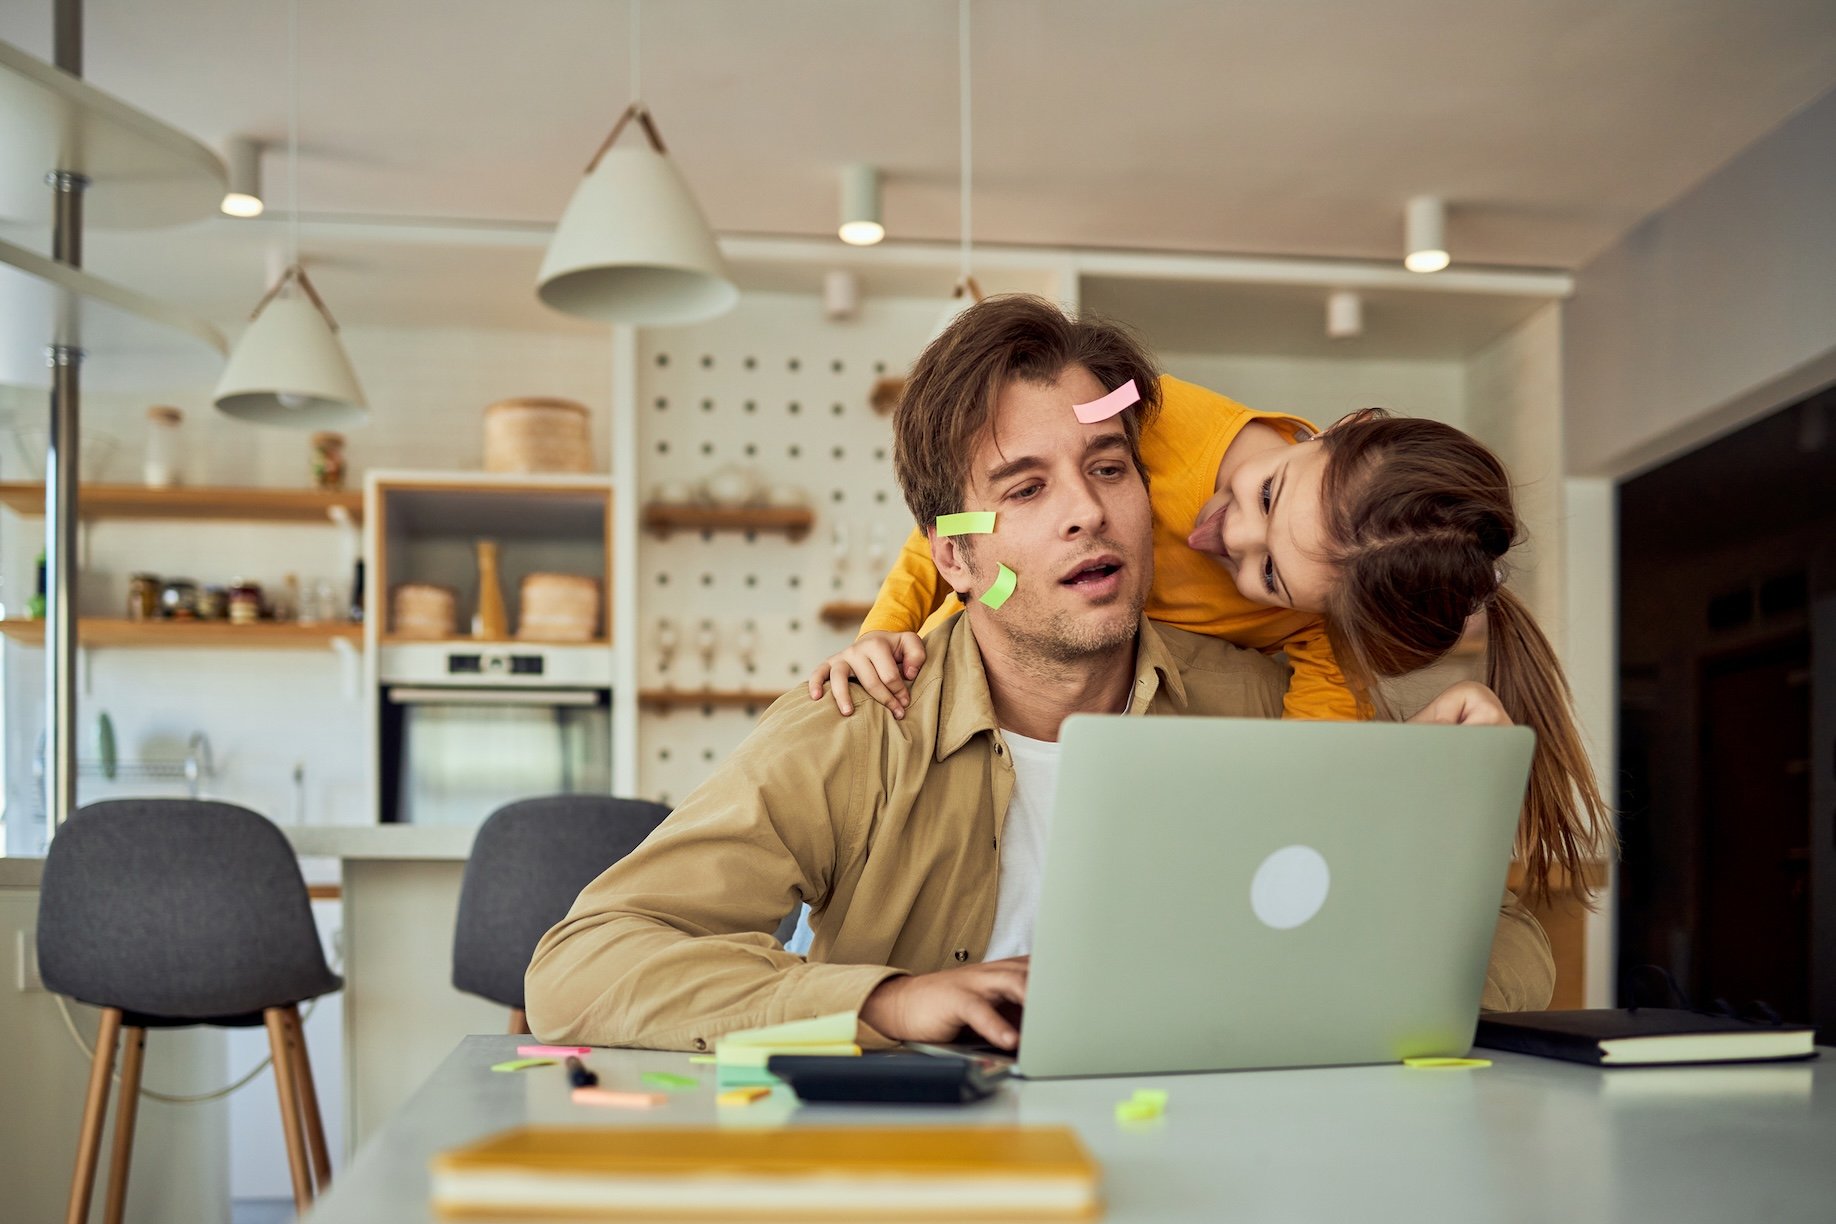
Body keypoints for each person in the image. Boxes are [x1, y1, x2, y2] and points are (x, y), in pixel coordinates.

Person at [524, 296, 1554, 1053]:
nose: (1086, 510)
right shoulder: (860, 718)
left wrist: (1432, 826)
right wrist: (880, 1001)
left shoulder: (1264, 703)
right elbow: (578, 967)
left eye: (1109, 469)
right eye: (1026, 487)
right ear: (956, 557)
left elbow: (1518, 961)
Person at [811, 347, 1609, 906]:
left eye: (1268, 576)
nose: (1230, 536)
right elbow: (963, 518)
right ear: (1330, 429)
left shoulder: (1324, 642)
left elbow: (1309, 806)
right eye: (1268, 497)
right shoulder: (1140, 412)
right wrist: (886, 628)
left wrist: (1412, 774)